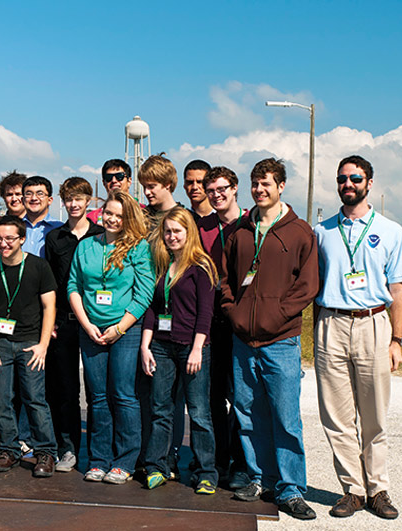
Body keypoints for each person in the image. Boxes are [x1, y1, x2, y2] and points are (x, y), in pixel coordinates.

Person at [220, 158, 318, 520]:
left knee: (285, 417)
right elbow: (226, 280)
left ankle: (291, 489)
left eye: (266, 184)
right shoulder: (241, 232)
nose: (259, 190)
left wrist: (275, 317)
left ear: (280, 187)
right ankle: (260, 477)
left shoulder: (299, 232)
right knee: (247, 413)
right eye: (255, 184)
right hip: (243, 341)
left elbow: (307, 286)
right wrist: (234, 313)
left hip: (281, 341)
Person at [313, 155, 402, 520]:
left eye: (355, 177)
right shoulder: (322, 231)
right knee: (336, 417)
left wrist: (396, 340)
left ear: (369, 182)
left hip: (373, 323)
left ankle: (378, 488)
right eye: (342, 178)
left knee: (374, 416)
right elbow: (312, 284)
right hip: (331, 325)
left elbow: (398, 290)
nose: (348, 184)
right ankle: (352, 489)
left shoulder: (390, 231)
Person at [67, 191, 154, 484]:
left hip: (125, 332)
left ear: (128, 218)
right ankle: (99, 459)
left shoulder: (138, 248)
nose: (113, 219)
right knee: (97, 397)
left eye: (119, 215)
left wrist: (120, 328)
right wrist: (87, 324)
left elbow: (144, 293)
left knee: (124, 395)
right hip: (90, 330)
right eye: (109, 213)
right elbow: (73, 287)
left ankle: (125, 461)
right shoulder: (87, 246)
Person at [140, 207, 218, 495]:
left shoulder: (201, 267)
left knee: (198, 413)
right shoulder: (162, 264)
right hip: (161, 346)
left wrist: (198, 349)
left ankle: (206, 471)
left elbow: (205, 314)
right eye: (168, 232)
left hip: (191, 348)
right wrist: (145, 346)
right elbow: (152, 308)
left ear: (189, 233)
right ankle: (157, 466)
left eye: (177, 231)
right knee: (161, 410)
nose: (172, 236)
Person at [0, 216, 59, 477]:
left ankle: (46, 452)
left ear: (22, 239)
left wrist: (43, 345)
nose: (3, 243)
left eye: (10, 238)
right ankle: (9, 449)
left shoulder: (39, 266)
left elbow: (49, 307)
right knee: (0, 399)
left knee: (35, 400)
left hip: (30, 343)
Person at [44, 177, 104, 472]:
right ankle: (67, 449)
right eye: (68, 198)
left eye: (79, 198)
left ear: (89, 200)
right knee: (65, 390)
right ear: (62, 201)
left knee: (97, 390)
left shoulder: (102, 234)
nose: (74, 203)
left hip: (97, 321)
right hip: (65, 323)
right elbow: (52, 284)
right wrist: (51, 319)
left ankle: (98, 450)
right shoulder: (55, 238)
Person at [135, 154, 190, 476]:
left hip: (174, 314)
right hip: (147, 311)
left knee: (174, 397)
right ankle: (150, 455)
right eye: (144, 187)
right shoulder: (144, 218)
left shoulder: (180, 218)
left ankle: (170, 456)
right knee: (150, 393)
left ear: (169, 185)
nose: (148, 193)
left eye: (152, 187)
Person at [197, 166, 249, 489]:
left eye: (222, 189)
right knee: (214, 395)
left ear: (235, 188)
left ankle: (242, 461)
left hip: (242, 317)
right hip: (211, 317)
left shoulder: (250, 223)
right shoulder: (202, 227)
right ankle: (218, 458)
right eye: (211, 190)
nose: (217, 195)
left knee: (242, 394)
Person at [88, 159, 143, 224]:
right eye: (108, 177)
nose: (114, 181)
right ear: (104, 183)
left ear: (129, 181)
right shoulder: (92, 218)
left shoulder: (144, 212)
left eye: (119, 176)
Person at [21, 176, 62, 258]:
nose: (34, 198)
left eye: (40, 194)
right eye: (28, 194)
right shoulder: (14, 227)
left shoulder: (60, 229)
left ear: (49, 200)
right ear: (22, 200)